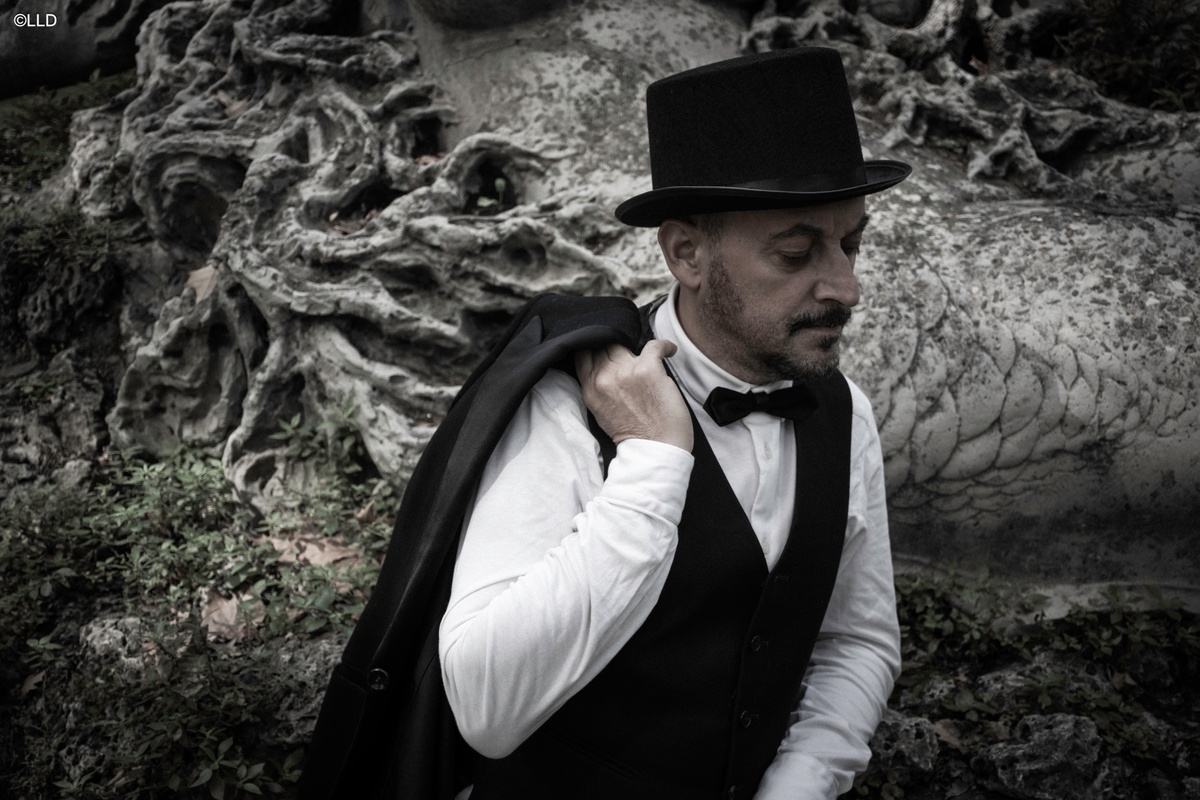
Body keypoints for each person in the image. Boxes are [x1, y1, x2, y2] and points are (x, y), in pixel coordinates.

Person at [437, 46, 912, 800]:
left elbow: (857, 639)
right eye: (797, 253)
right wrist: (652, 462)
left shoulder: (842, 410)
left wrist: (799, 784)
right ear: (687, 253)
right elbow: (485, 706)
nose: (846, 287)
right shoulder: (566, 405)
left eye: (851, 243)